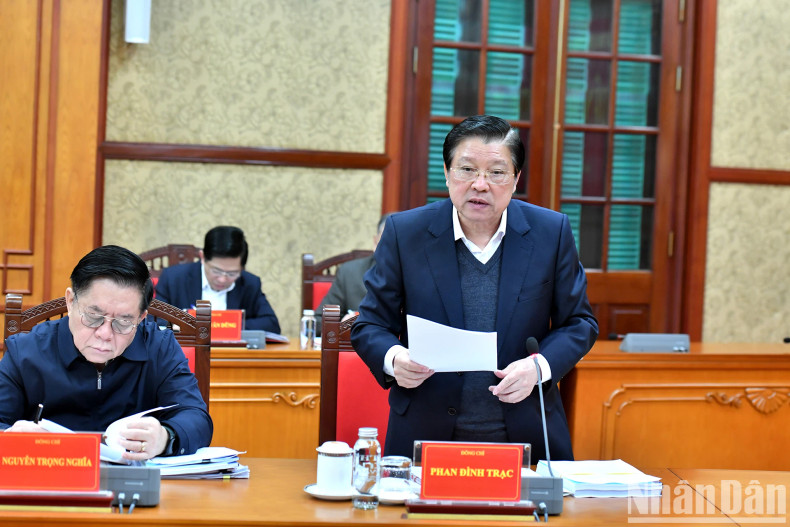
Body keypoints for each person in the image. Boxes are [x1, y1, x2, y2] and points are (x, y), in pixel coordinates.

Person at [351, 115, 598, 460]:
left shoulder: (550, 232)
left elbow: (580, 323)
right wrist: (394, 359)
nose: (480, 184)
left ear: (515, 180)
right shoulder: (405, 233)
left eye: (496, 173)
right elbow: (369, 324)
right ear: (447, 172)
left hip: (527, 439)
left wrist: (538, 368)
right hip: (425, 439)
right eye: (467, 169)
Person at [0, 245, 213, 460]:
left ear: (140, 318)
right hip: (49, 477)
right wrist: (11, 437)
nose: (105, 333)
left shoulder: (160, 348)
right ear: (71, 301)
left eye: (123, 322)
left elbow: (195, 417)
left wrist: (166, 437)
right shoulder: (26, 351)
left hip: (135, 482)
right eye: (93, 316)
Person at [155, 226, 280, 333]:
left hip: (232, 357)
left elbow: (271, 324)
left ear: (242, 268)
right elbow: (156, 322)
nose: (222, 279)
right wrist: (196, 328)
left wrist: (224, 327)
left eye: (232, 273)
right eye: (216, 271)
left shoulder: (250, 283)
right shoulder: (173, 278)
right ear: (203, 257)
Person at [315, 213, 392, 335]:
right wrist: (344, 324)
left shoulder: (421, 277)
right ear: (375, 242)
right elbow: (318, 323)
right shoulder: (350, 273)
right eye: (388, 243)